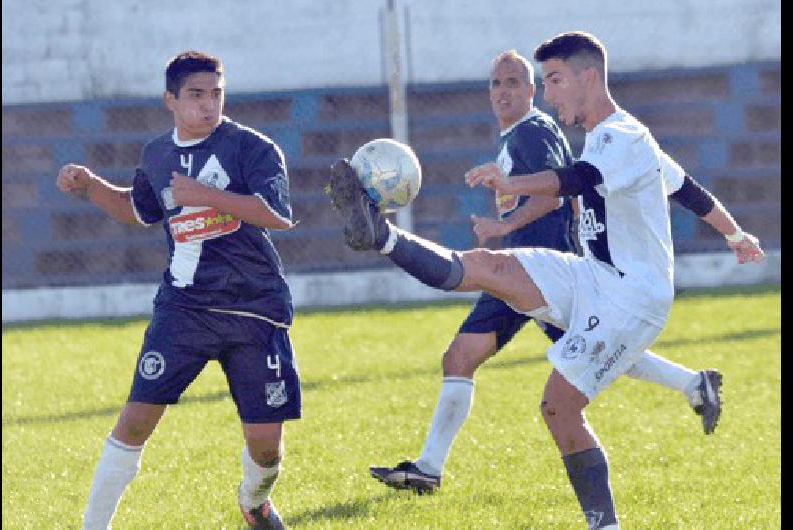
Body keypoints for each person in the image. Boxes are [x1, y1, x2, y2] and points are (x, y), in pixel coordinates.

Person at [326, 32, 764, 529]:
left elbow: (575, 180)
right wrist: (736, 234)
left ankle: (607, 525)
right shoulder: (613, 138)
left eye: (553, 80)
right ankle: (378, 234)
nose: (548, 92)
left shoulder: (622, 138)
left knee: (558, 408)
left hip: (632, 298)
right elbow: (689, 190)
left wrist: (512, 184)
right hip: (593, 276)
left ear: (589, 77)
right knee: (490, 267)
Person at [57, 51, 298, 530]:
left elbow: (278, 215)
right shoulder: (156, 154)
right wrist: (90, 187)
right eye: (195, 95)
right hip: (184, 309)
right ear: (170, 100)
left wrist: (205, 195)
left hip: (255, 309)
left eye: (216, 94)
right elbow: (139, 210)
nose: (208, 106)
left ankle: (253, 502)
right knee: (134, 421)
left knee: (266, 446)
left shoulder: (253, 148)